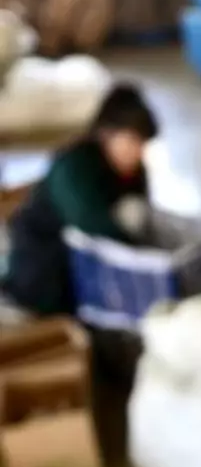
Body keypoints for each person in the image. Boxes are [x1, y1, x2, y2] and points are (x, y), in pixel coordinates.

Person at [3, 83, 157, 318]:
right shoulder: (75, 166)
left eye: (143, 144)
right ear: (106, 134)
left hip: (88, 267)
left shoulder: (134, 172)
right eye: (131, 142)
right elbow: (91, 224)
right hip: (43, 263)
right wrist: (145, 258)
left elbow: (142, 215)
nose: (138, 153)